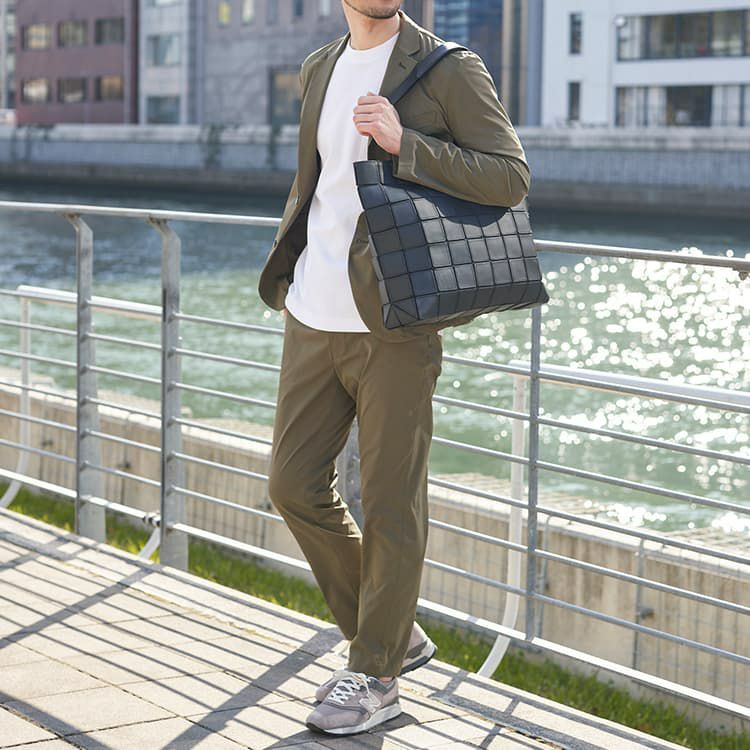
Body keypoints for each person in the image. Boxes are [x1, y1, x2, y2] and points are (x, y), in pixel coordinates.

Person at [257, 1, 530, 736]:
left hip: (395, 322)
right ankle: (393, 635)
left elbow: (510, 177)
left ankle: (376, 675)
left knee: (390, 504)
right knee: (292, 485)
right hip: (311, 312)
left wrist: (408, 143)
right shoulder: (319, 66)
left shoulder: (451, 68)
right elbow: (319, 187)